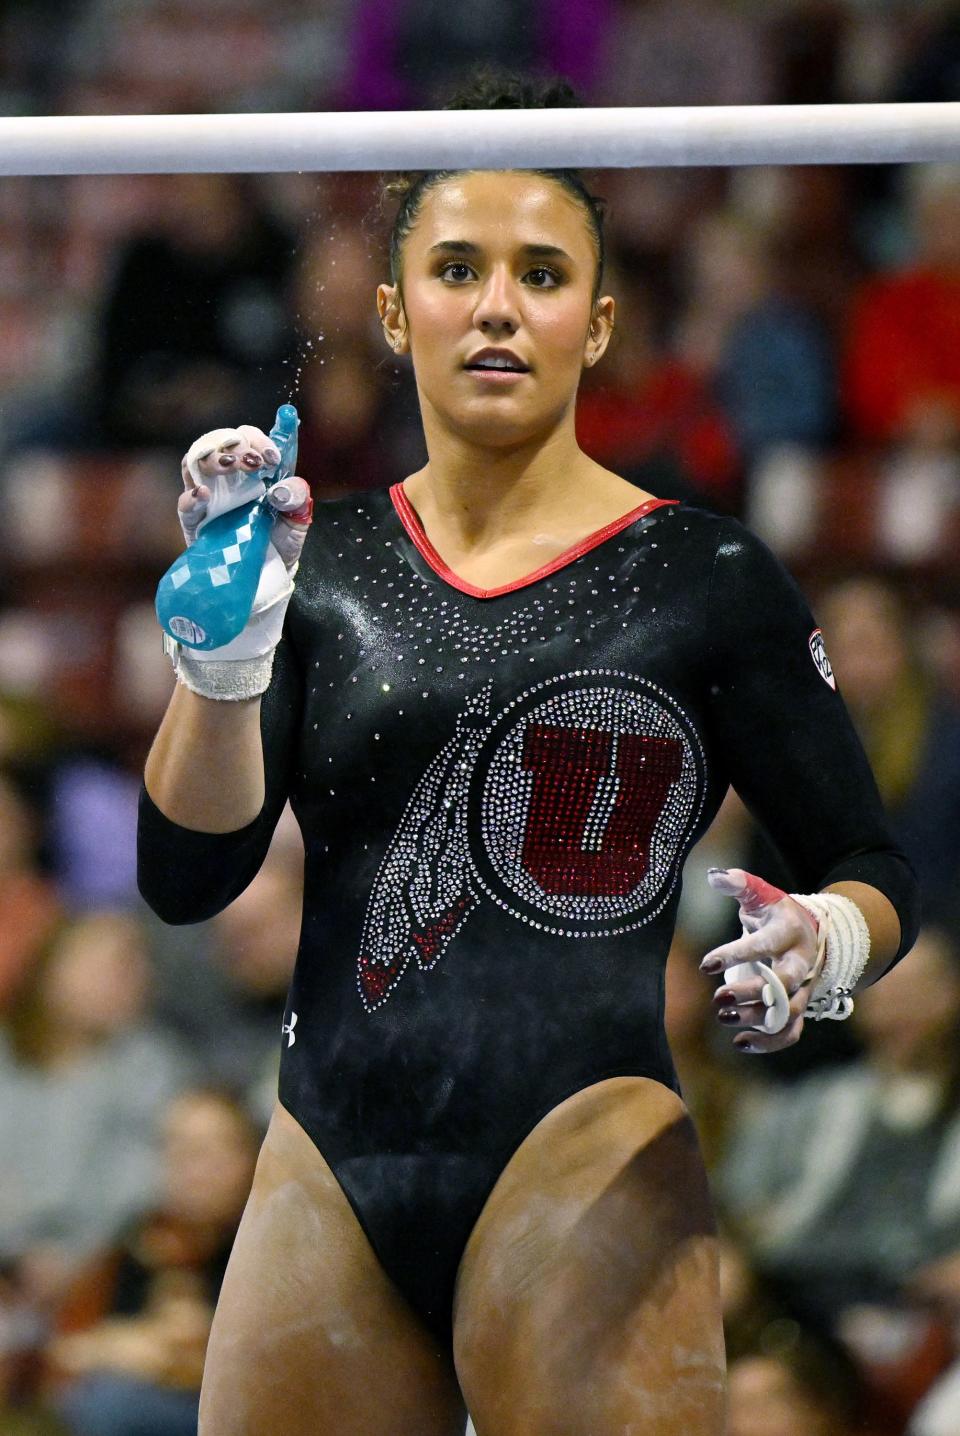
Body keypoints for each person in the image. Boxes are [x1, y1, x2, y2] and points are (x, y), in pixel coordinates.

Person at [137, 72, 919, 1436]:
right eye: (455, 268)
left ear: (597, 321)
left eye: (542, 273)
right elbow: (187, 880)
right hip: (328, 1157)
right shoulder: (322, 558)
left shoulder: (705, 572)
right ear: (394, 312)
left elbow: (867, 860)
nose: (497, 304)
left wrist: (831, 942)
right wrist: (222, 666)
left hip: (584, 1149)